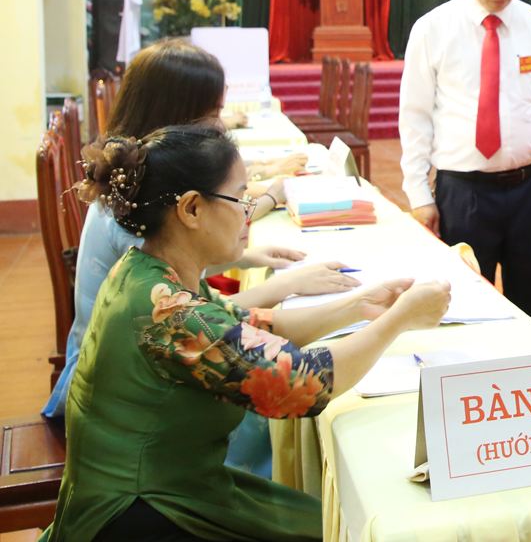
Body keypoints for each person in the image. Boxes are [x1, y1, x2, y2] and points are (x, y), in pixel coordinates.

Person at [40, 124, 451, 542]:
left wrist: (359, 306)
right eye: (239, 197)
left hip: (168, 488)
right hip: (141, 512)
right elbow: (305, 384)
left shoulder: (150, 270)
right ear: (192, 209)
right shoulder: (167, 310)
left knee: (334, 519)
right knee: (346, 526)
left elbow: (246, 325)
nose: (249, 209)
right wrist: (398, 320)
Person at [43, 38, 349, 480]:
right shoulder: (131, 219)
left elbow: (198, 299)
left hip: (130, 363)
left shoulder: (138, 191)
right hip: (120, 394)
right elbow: (193, 317)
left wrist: (254, 263)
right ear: (177, 114)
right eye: (213, 114)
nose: (221, 125)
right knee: (258, 417)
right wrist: (285, 284)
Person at [400, 0, 531, 327]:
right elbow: (415, 114)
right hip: (464, 192)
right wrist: (419, 194)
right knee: (463, 310)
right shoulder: (433, 29)